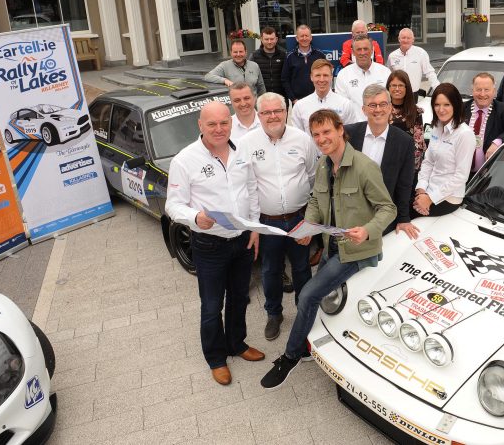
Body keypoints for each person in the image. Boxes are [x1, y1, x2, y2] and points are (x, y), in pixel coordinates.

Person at [260, 109, 396, 389]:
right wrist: (308, 227)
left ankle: (291, 355)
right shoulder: (323, 164)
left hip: (356, 251)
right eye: (316, 134)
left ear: (340, 130)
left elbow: (388, 208)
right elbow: (315, 200)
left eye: (327, 132)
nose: (322, 138)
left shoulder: (363, 166)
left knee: (308, 294)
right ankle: (313, 345)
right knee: (316, 299)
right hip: (330, 246)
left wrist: (368, 230)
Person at [165, 101, 264, 386]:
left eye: (224, 123)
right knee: (211, 305)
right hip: (209, 244)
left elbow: (251, 189)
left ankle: (237, 344)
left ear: (230, 123)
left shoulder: (242, 150)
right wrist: (195, 217)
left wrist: (255, 228)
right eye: (212, 124)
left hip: (242, 238)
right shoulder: (185, 160)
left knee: (240, 297)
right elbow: (173, 205)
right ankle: (216, 358)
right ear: (200, 125)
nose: (219, 129)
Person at [241, 93, 318, 341]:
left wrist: (311, 219)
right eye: (266, 112)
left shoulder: (303, 140)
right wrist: (252, 225)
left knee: (302, 268)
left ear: (286, 112)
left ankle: (304, 312)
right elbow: (247, 187)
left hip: (299, 218)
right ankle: (274, 314)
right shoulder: (247, 143)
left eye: (278, 111)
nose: (273, 116)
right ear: (258, 114)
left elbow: (313, 177)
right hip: (267, 222)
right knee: (270, 271)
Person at [345, 84, 418, 239]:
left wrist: (404, 218)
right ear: (364, 109)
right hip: (349, 213)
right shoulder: (348, 134)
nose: (378, 109)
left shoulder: (404, 142)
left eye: (383, 104)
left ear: (390, 107)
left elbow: (404, 184)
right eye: (372, 105)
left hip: (382, 216)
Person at [414, 83, 476, 217]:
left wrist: (430, 198)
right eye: (437, 105)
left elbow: (461, 176)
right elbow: (428, 161)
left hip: (448, 197)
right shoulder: (436, 127)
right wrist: (421, 189)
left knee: (406, 213)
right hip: (428, 189)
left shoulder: (465, 134)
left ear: (456, 105)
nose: (441, 109)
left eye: (446, 105)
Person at [463, 72, 504, 175]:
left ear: (494, 92)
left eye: (486, 90)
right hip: (460, 173)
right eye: (478, 89)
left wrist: (497, 142)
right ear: (472, 91)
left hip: (487, 175)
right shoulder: (461, 109)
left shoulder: (503, 110)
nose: (482, 94)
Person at [291, 58, 359, 134]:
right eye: (318, 75)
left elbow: (351, 135)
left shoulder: (345, 104)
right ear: (311, 77)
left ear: (331, 77)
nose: (322, 79)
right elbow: (298, 138)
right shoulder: (299, 106)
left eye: (325, 75)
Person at [335, 36, 391, 119]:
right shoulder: (343, 75)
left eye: (365, 49)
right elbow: (341, 106)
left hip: (381, 125)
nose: (362, 52)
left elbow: (390, 102)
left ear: (372, 50)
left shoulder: (385, 72)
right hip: (355, 128)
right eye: (358, 49)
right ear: (353, 52)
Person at [386, 70, 426, 172]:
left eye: (401, 85)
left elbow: (419, 144)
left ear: (406, 88)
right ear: (388, 88)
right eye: (393, 85)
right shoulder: (382, 110)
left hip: (407, 165)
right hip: (385, 163)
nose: (397, 89)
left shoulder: (415, 112)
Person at [387, 27, 439, 98]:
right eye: (403, 37)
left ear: (413, 40)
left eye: (408, 38)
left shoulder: (421, 53)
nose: (406, 40)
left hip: (413, 94)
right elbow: (389, 75)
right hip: (397, 94)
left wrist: (438, 89)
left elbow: (429, 72)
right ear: (399, 39)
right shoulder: (392, 56)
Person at [281, 25, 326, 104]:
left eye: (306, 36)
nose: (304, 38)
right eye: (302, 36)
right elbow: (285, 79)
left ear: (311, 38)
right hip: (298, 101)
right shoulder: (290, 57)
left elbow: (326, 75)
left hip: (319, 99)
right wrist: (293, 99)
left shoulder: (320, 55)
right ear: (297, 38)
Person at [251, 26, 287, 98]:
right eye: (266, 39)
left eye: (272, 39)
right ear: (261, 39)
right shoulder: (254, 56)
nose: (269, 42)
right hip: (262, 97)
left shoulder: (284, 55)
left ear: (276, 39)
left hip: (281, 96)